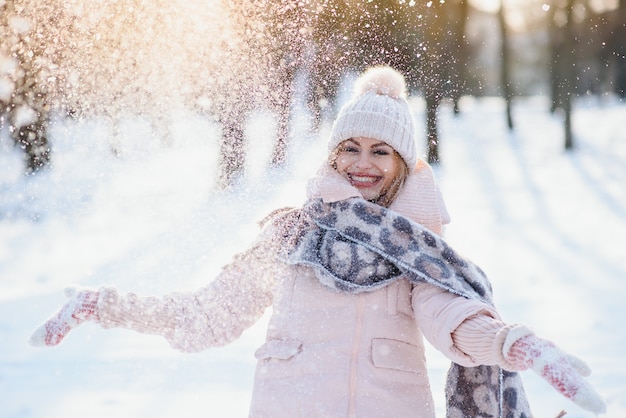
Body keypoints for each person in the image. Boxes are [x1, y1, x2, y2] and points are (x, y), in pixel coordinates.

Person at [30, 66, 606, 417]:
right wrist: (102, 305)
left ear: (404, 165)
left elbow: (452, 319)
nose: (362, 163)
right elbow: (203, 317)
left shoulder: (419, 253)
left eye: (381, 151)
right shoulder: (291, 235)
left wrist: (512, 345)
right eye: (349, 148)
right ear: (332, 153)